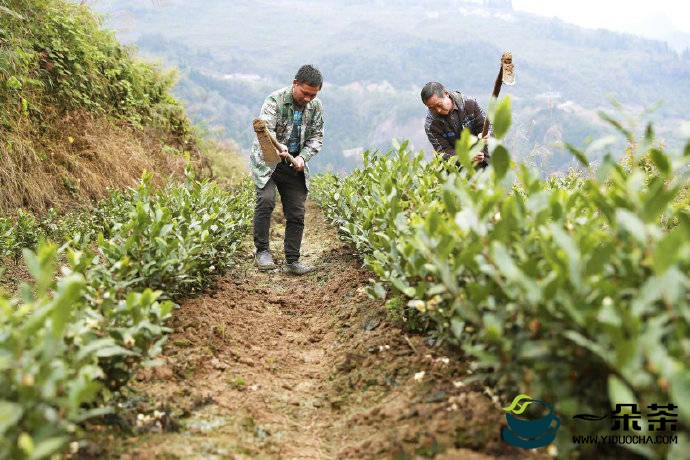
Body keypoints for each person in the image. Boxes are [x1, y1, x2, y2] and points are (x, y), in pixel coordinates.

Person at [250, 64, 325, 275]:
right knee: (265, 201)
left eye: (313, 94)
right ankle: (262, 252)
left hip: (293, 164)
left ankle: (292, 260)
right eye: (305, 93)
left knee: (296, 211)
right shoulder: (275, 100)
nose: (308, 98)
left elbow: (317, 137)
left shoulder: (316, 107)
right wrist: (278, 146)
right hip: (268, 161)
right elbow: (265, 129)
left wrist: (302, 157)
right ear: (295, 84)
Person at [420, 82, 490, 166]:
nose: (438, 110)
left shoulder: (469, 104)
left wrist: (487, 135)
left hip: (484, 158)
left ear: (446, 94)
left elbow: (486, 126)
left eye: (439, 105)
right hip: (457, 168)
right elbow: (443, 152)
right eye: (432, 108)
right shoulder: (431, 125)